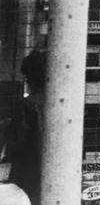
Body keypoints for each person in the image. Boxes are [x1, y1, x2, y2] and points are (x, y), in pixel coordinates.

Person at [5, 51, 45, 205]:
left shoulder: (26, 105)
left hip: (28, 174)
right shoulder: (60, 103)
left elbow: (15, 142)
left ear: (29, 77)